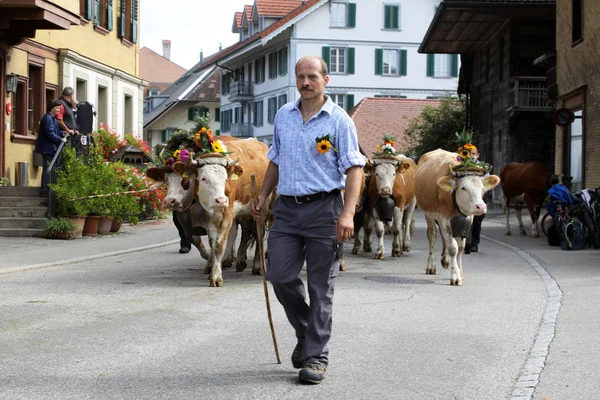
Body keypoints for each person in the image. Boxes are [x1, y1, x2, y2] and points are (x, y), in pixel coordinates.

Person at [251, 56, 365, 384]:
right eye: (301, 77)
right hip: (286, 209)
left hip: (325, 211)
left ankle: (316, 356)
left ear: (325, 80)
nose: (305, 82)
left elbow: (354, 168)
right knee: (279, 275)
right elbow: (275, 160)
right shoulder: (283, 116)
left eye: (312, 76)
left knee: (320, 287)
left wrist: (347, 213)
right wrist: (263, 195)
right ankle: (305, 333)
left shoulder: (340, 120)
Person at [35, 100, 67, 196]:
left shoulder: (52, 119)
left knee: (49, 168)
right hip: (47, 148)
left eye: (59, 108)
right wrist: (60, 139)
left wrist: (62, 133)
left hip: (50, 148)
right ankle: (45, 190)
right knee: (47, 168)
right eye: (57, 108)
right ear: (51, 108)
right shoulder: (48, 118)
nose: (59, 110)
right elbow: (49, 133)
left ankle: (48, 189)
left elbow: (55, 131)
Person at [465, 147, 485, 254]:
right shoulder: (462, 165)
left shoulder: (483, 167)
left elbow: (487, 181)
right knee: (465, 220)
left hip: (479, 198)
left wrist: (481, 193)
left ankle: (474, 244)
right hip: (466, 199)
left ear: (478, 155)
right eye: (469, 154)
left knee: (477, 222)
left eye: (473, 153)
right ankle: (466, 242)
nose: (471, 156)